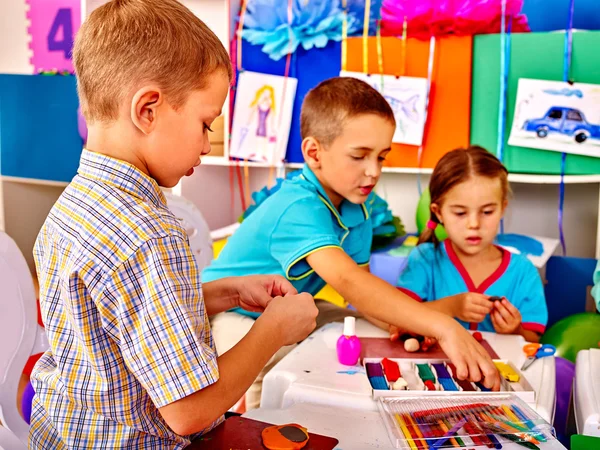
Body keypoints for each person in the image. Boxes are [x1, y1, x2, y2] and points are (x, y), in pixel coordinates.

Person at [29, 1, 318, 447]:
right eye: (205, 124)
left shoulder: (73, 204)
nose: (207, 144)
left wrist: (220, 295)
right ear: (148, 110)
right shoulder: (151, 233)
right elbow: (189, 410)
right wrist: (273, 331)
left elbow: (112, 325)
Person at [203, 77, 501, 410]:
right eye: (359, 156)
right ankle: (255, 424)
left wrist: (407, 324)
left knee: (356, 326)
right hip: (228, 313)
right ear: (314, 153)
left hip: (288, 307)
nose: (373, 171)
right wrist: (444, 325)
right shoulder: (298, 206)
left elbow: (365, 296)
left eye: (382, 157)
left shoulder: (356, 211)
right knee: (255, 384)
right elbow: (349, 281)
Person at [396, 146, 548, 343]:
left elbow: (532, 340)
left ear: (502, 208)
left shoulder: (523, 271)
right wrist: (451, 307)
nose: (474, 224)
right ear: (439, 212)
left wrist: (515, 330)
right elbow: (398, 317)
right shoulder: (424, 259)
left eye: (487, 212)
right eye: (460, 213)